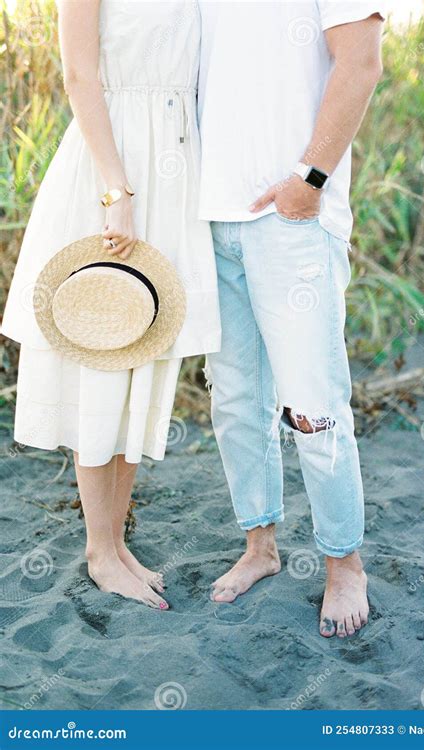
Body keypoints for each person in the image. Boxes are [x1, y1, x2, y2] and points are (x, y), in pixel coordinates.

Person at [2, 0, 220, 609]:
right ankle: (100, 551)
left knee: (144, 355)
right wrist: (114, 188)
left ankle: (117, 542)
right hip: (113, 169)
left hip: (174, 171)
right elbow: (78, 75)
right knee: (103, 350)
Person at [198, 0, 385, 637]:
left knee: (313, 402)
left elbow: (360, 63)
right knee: (236, 399)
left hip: (293, 216)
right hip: (211, 215)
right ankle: (260, 546)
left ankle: (344, 564)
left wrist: (309, 179)